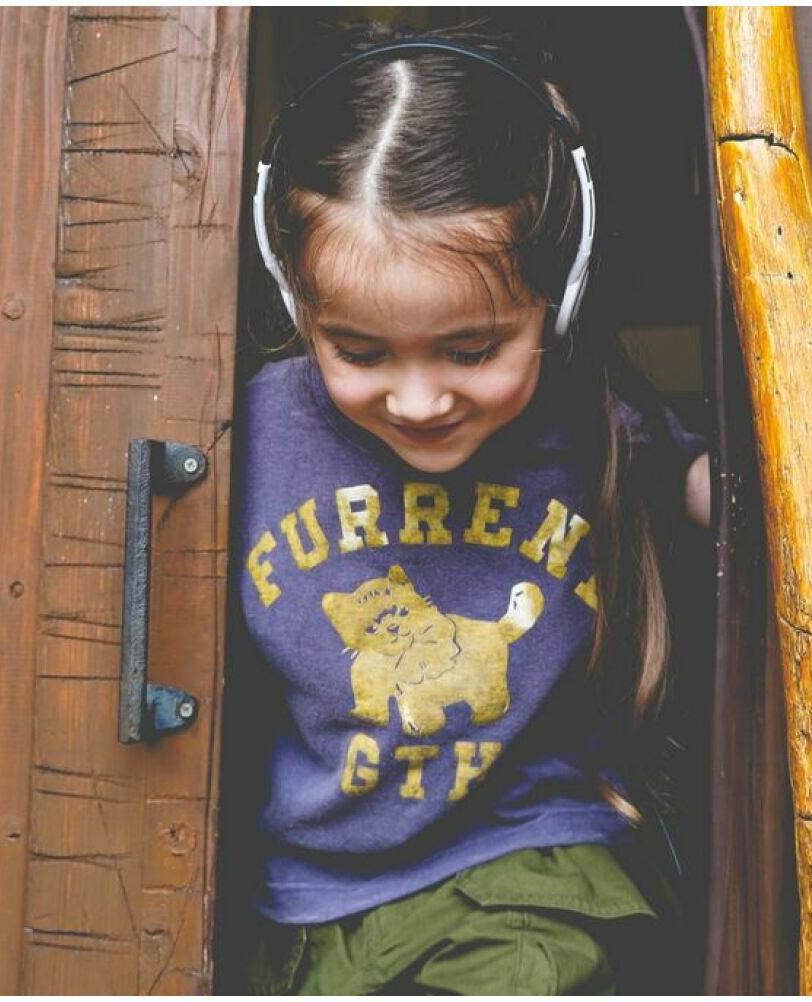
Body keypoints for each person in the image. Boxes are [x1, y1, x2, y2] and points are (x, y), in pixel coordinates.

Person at [232, 23, 710, 995]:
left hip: (525, 863)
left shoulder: (596, 421)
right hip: (299, 888)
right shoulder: (250, 427)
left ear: (557, 302)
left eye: (471, 350)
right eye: (360, 351)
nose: (418, 400)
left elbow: (718, 487)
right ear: (296, 302)